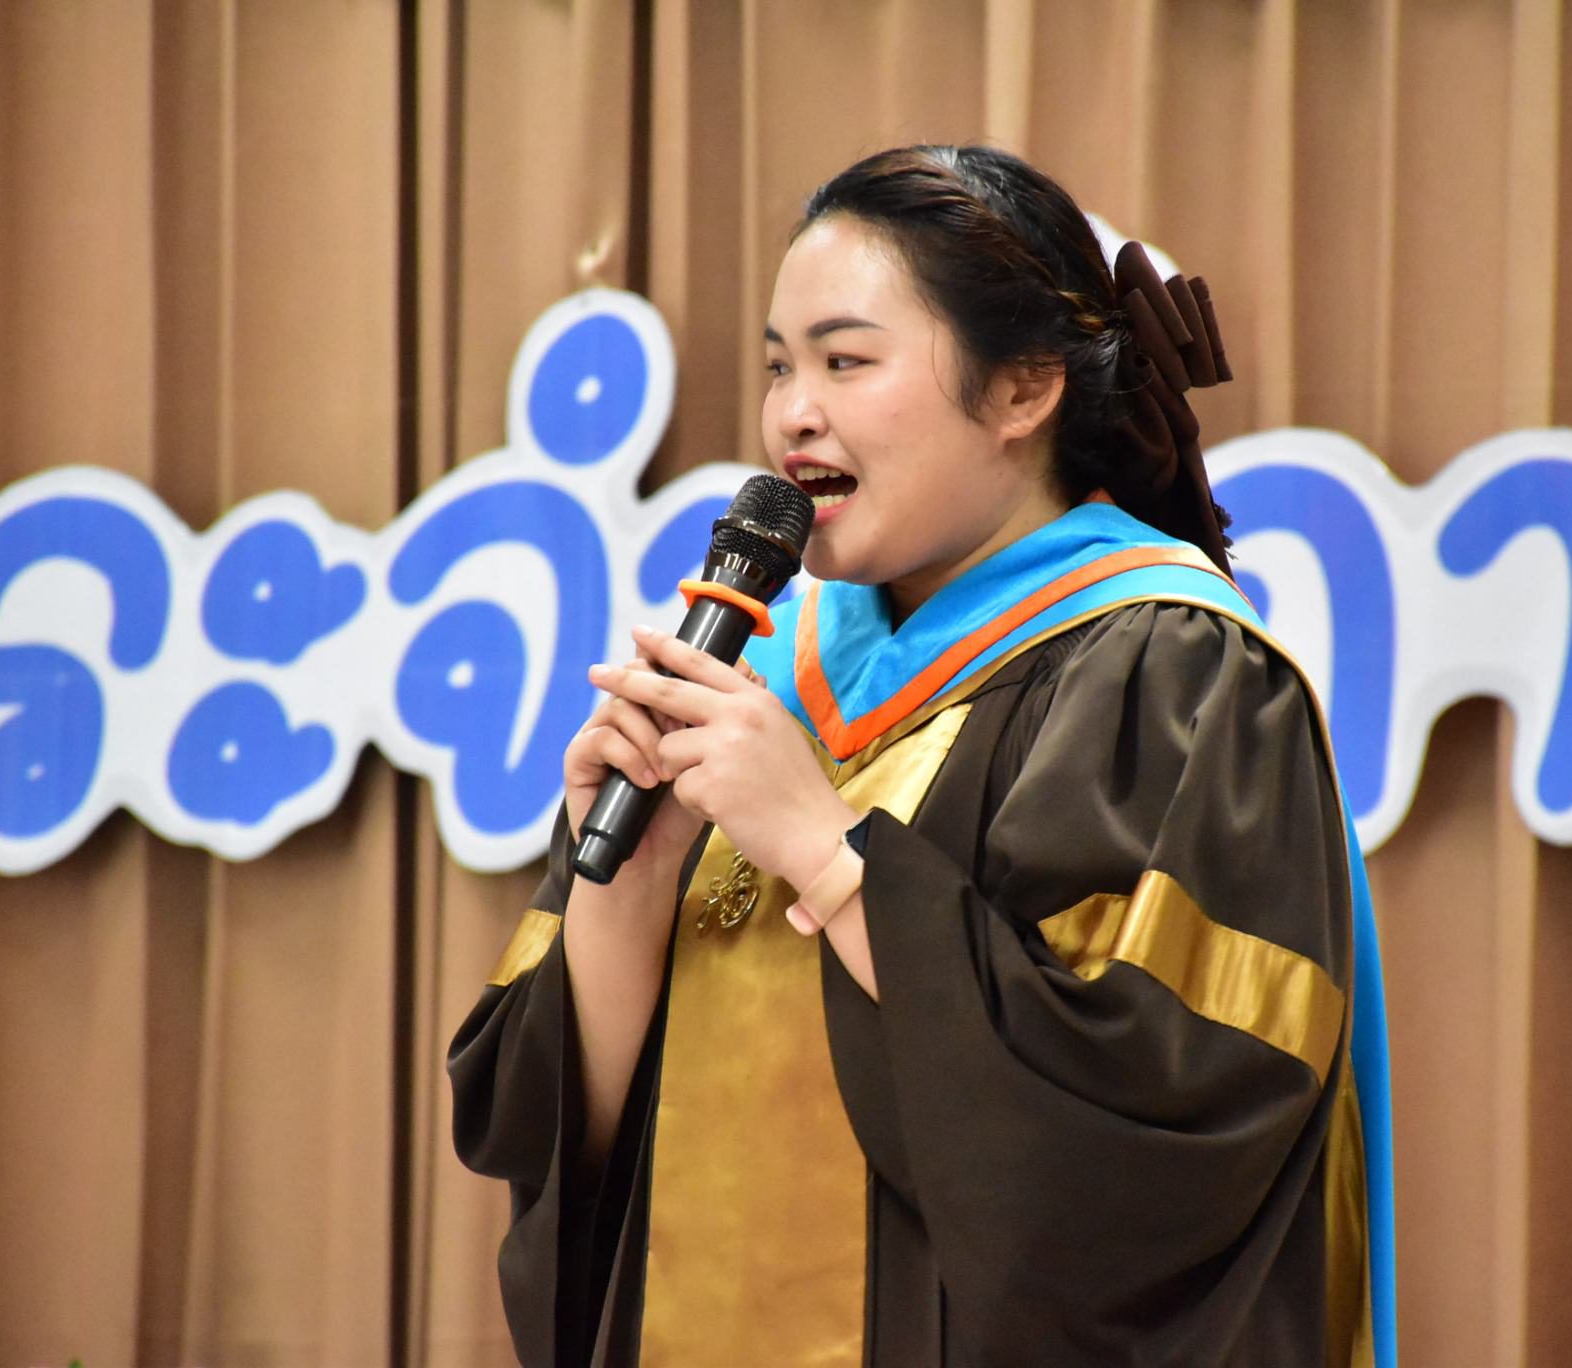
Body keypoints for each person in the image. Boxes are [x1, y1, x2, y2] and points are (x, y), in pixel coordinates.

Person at [449, 144, 1397, 1367]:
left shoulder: (1170, 671)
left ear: (1020, 390)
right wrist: (623, 887)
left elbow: (1154, 1144)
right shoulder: (753, 675)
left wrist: (831, 856)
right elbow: (549, 1142)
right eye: (779, 367)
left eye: (844, 361)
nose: (793, 414)